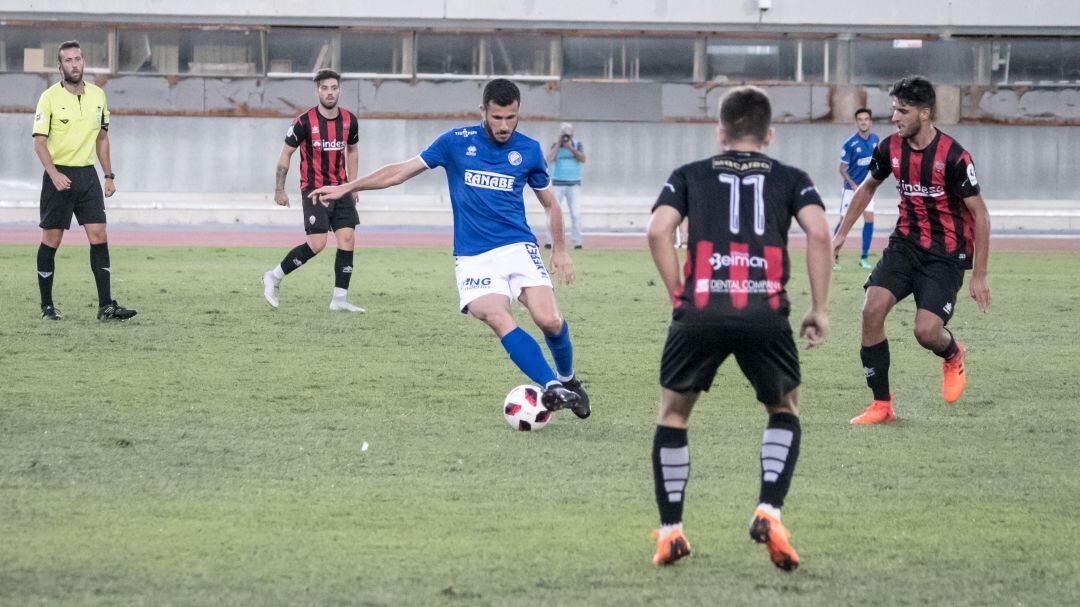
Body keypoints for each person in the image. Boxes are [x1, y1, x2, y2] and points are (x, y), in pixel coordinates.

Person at [310, 79, 590, 418]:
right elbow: (400, 172)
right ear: (483, 111)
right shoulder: (455, 143)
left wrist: (560, 249)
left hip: (518, 246)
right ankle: (552, 386)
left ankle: (568, 379)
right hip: (473, 256)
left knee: (550, 320)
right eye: (497, 117)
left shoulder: (528, 151)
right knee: (495, 316)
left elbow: (551, 206)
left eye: (511, 118)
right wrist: (347, 187)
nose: (504, 126)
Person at [646, 86, 831, 570]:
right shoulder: (791, 178)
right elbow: (819, 233)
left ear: (720, 131)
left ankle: (670, 533)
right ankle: (769, 510)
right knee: (784, 408)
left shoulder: (689, 174)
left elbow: (657, 231)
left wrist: (676, 292)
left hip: (701, 308)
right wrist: (820, 307)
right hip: (764, 313)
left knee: (674, 417)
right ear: (768, 134)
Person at [833, 76, 991, 425]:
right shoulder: (889, 148)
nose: (894, 118)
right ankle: (882, 405)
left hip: (945, 256)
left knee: (926, 332)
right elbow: (866, 188)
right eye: (893, 109)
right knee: (871, 310)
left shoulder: (954, 156)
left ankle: (952, 352)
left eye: (902, 111)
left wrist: (979, 275)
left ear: (924, 113)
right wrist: (841, 234)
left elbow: (980, 214)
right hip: (905, 245)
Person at [32, 40, 136, 322]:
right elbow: (40, 143)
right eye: (68, 60)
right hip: (59, 176)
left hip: (87, 176)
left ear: (83, 62)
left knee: (99, 235)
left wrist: (109, 175)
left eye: (78, 59)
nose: (75, 64)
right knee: (51, 240)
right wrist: (54, 174)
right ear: (60, 66)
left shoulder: (98, 96)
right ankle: (47, 306)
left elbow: (102, 138)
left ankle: (106, 306)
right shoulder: (49, 98)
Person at [262, 69, 365, 312]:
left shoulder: (350, 120)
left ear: (340, 90)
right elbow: (286, 153)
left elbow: (352, 150)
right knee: (317, 244)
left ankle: (339, 300)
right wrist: (279, 189)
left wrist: (353, 185)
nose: (330, 93)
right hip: (314, 190)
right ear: (317, 91)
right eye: (325, 88)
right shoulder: (304, 122)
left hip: (340, 189)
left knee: (348, 239)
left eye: (334, 88)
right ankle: (274, 276)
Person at [834, 107, 880, 270]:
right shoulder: (850, 143)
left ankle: (864, 258)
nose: (863, 122)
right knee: (843, 222)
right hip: (850, 190)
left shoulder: (876, 140)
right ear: (856, 122)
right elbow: (842, 168)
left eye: (866, 119)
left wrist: (871, 181)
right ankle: (834, 257)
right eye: (860, 119)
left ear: (870, 122)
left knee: (869, 219)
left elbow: (875, 164)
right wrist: (853, 184)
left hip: (867, 190)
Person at [544, 122, 586, 249]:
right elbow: (548, 160)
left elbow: (583, 159)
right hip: (557, 183)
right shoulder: (555, 145)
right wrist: (558, 144)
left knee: (576, 214)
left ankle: (577, 242)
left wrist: (570, 148)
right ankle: (549, 241)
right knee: (552, 213)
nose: (566, 136)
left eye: (568, 133)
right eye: (564, 134)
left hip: (574, 184)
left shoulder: (577, 144)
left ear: (572, 133)